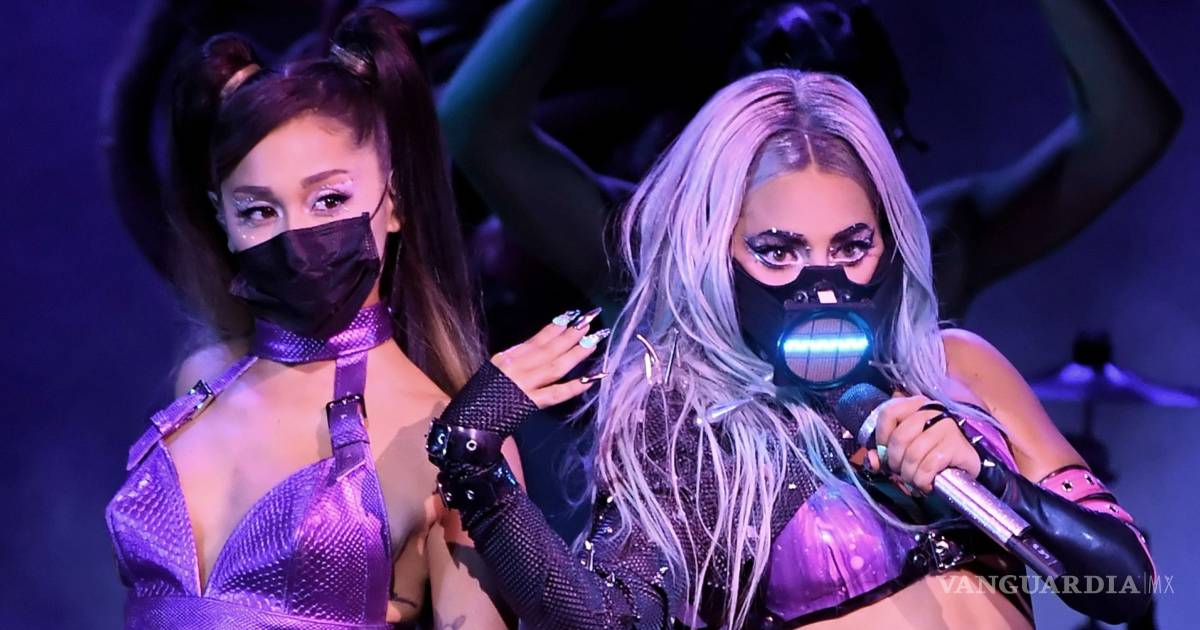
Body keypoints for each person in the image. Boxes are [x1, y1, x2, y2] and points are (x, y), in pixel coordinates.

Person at [426, 71, 1156, 628]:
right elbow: (603, 623)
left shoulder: (959, 367)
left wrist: (990, 479)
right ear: (716, 255)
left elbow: (1126, 586)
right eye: (779, 251)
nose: (823, 285)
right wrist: (473, 461)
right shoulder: (689, 433)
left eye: (852, 246)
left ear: (891, 242)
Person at [104, 8, 520, 628]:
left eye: (328, 199)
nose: (296, 236)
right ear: (224, 219)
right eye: (258, 211)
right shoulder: (201, 381)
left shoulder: (450, 438)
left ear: (394, 200)